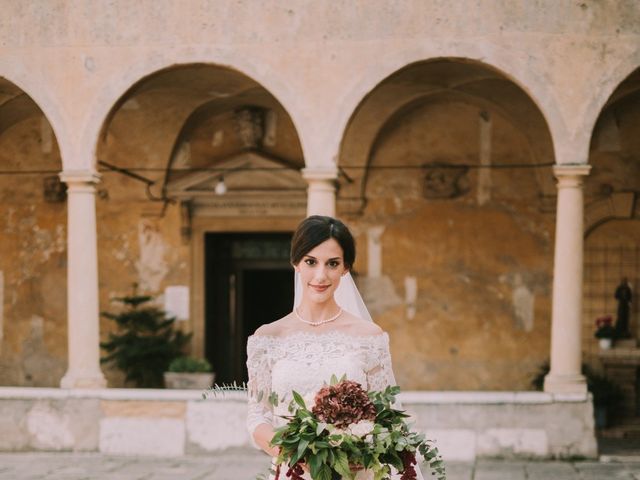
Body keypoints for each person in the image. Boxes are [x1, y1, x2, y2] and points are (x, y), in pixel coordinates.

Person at [246, 215, 424, 480]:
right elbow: (257, 415)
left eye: (332, 264)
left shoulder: (369, 337)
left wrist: (356, 448)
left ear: (345, 268)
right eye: (310, 262)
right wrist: (296, 453)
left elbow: (387, 415)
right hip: (294, 471)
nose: (321, 275)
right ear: (296, 264)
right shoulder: (268, 338)